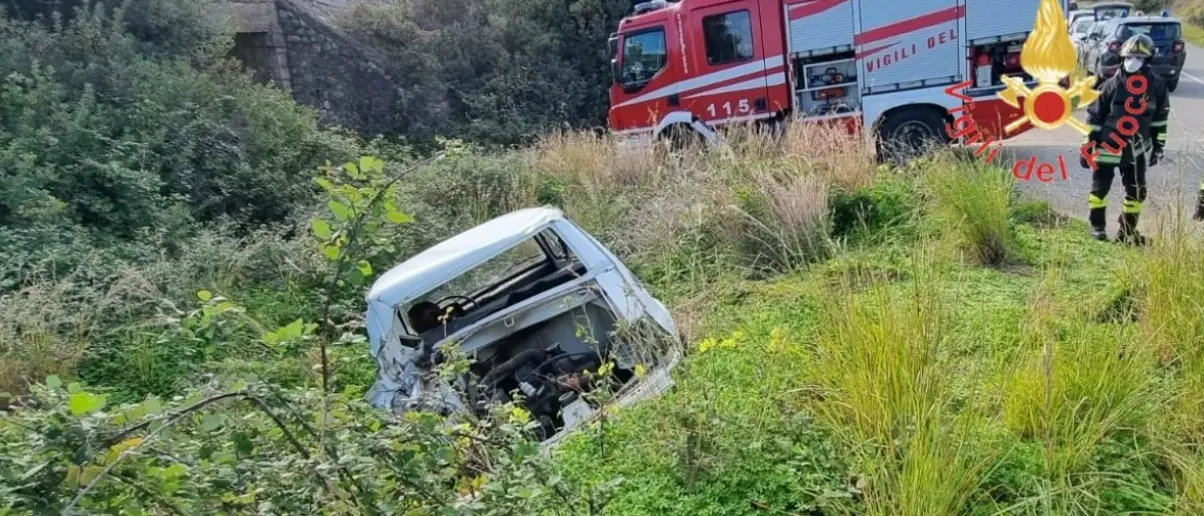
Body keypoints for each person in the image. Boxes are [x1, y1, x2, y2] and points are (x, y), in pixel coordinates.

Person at [1081, 34, 1170, 245]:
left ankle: (1127, 232)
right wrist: (1087, 146)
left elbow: (1160, 120)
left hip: (1137, 150)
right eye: (1130, 56)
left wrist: (1158, 146)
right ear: (1122, 57)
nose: (1133, 60)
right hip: (1107, 147)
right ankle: (1097, 228)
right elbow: (1093, 119)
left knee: (1136, 192)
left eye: (1139, 56)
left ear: (1148, 60)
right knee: (1099, 190)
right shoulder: (1109, 86)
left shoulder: (1157, 86)